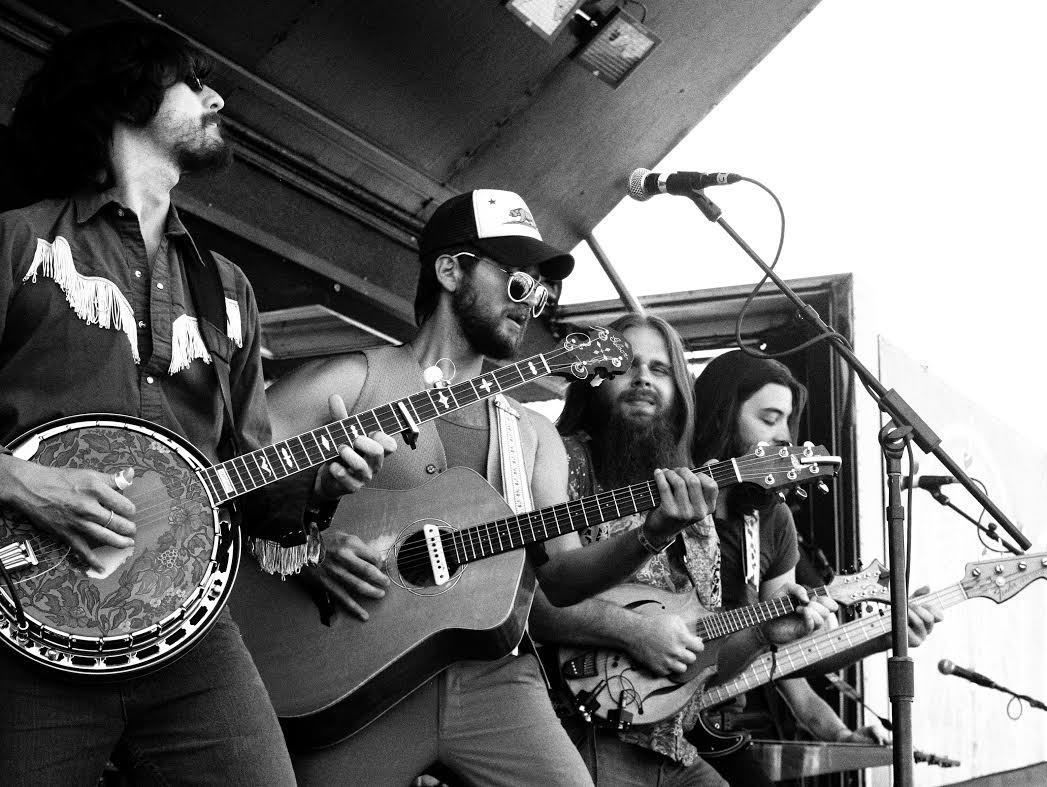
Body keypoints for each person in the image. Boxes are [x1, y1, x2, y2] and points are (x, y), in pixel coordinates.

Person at [0, 21, 394, 786]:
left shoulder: (229, 289)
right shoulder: (15, 245)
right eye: (194, 80)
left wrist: (322, 480)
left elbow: (248, 487)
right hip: (24, 619)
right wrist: (25, 482)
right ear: (128, 92)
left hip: (187, 634)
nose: (216, 97)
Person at [265, 189, 717, 786]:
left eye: (541, 289)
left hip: (496, 678)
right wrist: (307, 550)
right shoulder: (353, 382)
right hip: (359, 674)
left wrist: (653, 534)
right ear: (451, 270)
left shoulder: (531, 435)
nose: (532, 303)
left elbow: (560, 579)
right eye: (517, 282)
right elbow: (222, 481)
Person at [532, 313, 837, 786]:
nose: (643, 380)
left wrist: (761, 634)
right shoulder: (560, 457)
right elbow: (534, 602)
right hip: (578, 732)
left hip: (673, 745)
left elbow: (700, 670)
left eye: (660, 369)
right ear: (593, 378)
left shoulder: (696, 503)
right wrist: (632, 631)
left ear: (680, 391)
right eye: (627, 365)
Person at [693, 349, 944, 786]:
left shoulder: (770, 522)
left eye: (788, 422)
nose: (784, 437)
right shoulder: (672, 502)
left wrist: (839, 731)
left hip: (714, 722)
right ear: (721, 416)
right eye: (769, 419)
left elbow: (778, 657)